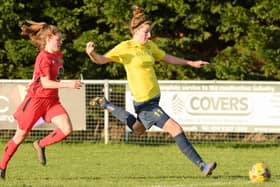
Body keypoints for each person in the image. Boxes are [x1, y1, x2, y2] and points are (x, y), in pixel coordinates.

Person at [86, 6, 216, 176]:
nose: (149, 35)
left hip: (154, 100)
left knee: (138, 129)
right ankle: (202, 165)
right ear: (136, 31)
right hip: (145, 103)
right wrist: (92, 53)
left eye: (150, 32)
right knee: (175, 128)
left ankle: (107, 104)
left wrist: (190, 63)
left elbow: (166, 57)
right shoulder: (125, 47)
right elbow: (102, 60)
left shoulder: (149, 46)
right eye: (146, 32)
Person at [0, 20, 82, 179]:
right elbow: (45, 83)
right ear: (48, 39)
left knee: (66, 129)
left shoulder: (58, 55)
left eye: (61, 40)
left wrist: (32, 80)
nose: (61, 42)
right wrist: (68, 84)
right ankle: (2, 166)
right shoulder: (43, 57)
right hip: (36, 102)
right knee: (20, 136)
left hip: (52, 101)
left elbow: (39, 77)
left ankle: (40, 144)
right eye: (58, 40)